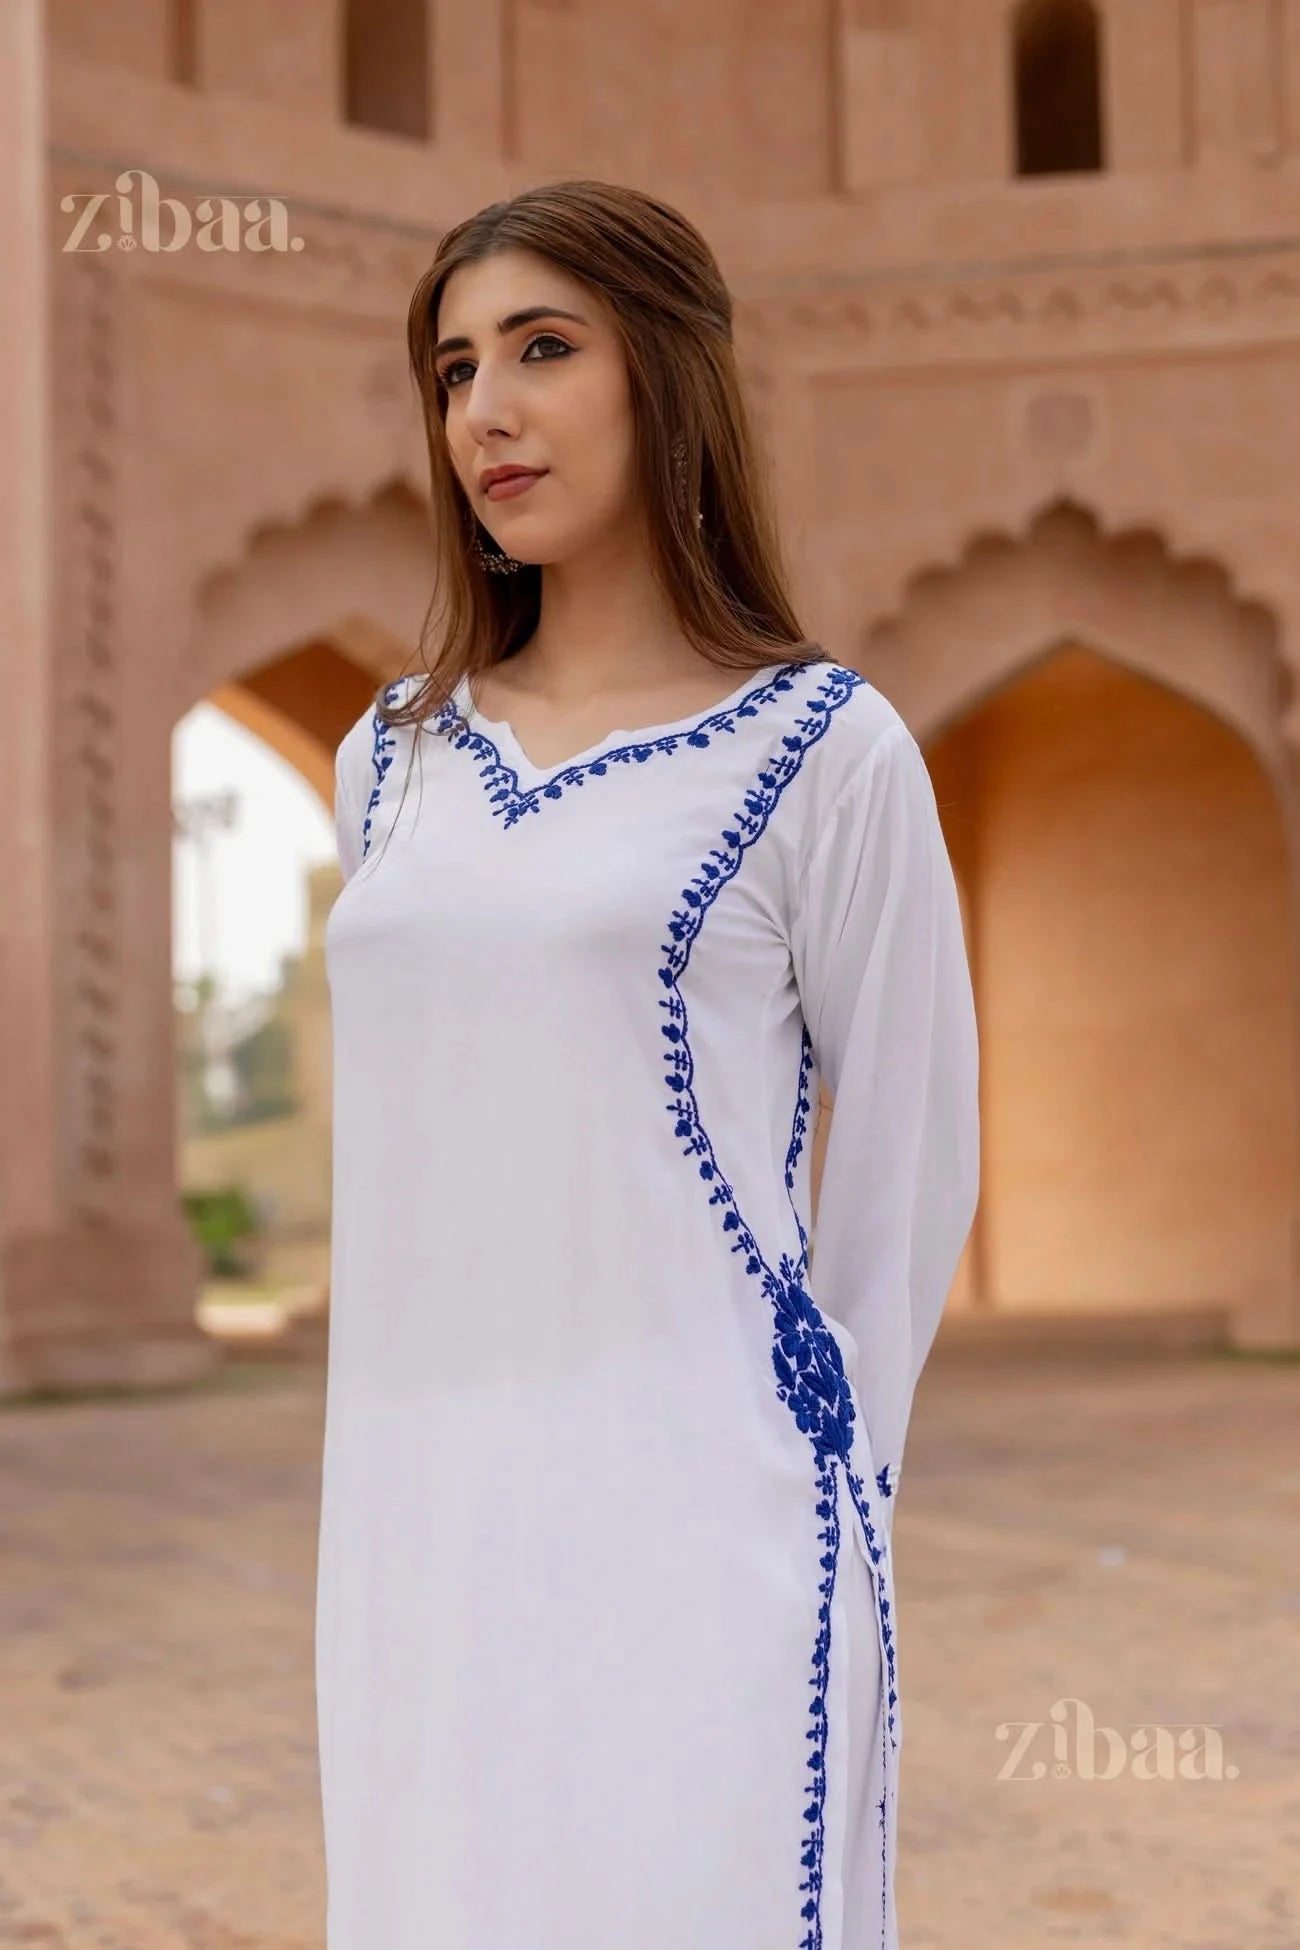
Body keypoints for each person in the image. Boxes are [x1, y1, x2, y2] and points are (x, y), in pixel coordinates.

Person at [318, 177, 980, 1950]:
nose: (488, 411)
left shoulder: (823, 753)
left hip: (705, 1516)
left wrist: (830, 1487)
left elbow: (909, 1165)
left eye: (544, 348)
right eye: (455, 369)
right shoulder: (391, 759)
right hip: (415, 1520)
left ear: (668, 374)